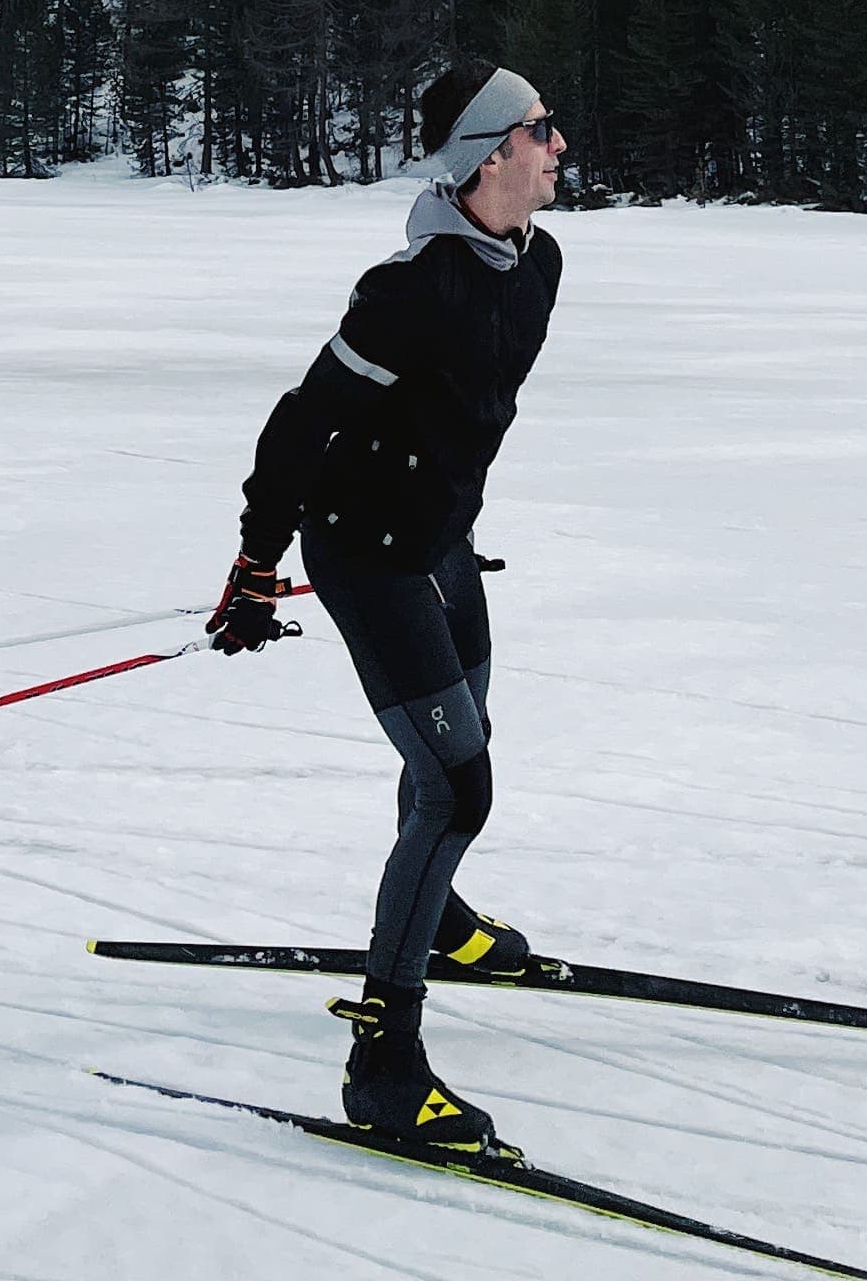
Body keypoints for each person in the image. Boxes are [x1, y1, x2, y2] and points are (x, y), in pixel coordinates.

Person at [206, 58, 566, 1152]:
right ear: (490, 155)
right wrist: (258, 561)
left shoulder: (538, 265)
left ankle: (439, 920)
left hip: (441, 544)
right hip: (366, 553)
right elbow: (300, 422)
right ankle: (384, 1064)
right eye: (539, 128)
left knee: (463, 742)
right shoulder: (409, 292)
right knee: (459, 788)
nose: (558, 143)